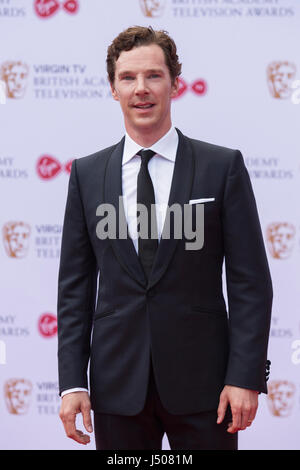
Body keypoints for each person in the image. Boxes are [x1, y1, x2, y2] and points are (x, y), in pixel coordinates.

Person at [57, 26, 272, 450]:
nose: (141, 89)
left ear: (175, 84)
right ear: (113, 89)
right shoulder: (87, 174)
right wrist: (71, 384)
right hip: (117, 387)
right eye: (128, 78)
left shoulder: (221, 167)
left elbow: (250, 282)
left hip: (206, 388)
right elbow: (74, 290)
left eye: (154, 76)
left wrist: (244, 376)